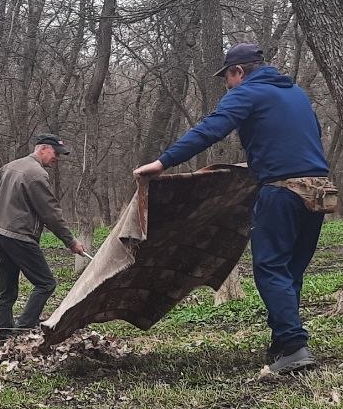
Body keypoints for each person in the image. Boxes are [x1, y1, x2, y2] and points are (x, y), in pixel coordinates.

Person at [133, 42, 329, 375]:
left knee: (270, 269)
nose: (227, 84)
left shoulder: (248, 93)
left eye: (227, 77)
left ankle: (294, 347)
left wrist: (162, 162)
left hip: (281, 192)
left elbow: (211, 129)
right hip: (320, 191)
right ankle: (284, 341)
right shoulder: (295, 93)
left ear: (238, 71)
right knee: (290, 271)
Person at [0, 134, 86, 343]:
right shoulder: (36, 174)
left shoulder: (13, 165)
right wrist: (71, 241)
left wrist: (10, 196)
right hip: (18, 233)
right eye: (56, 153)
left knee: (7, 286)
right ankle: (21, 331)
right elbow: (51, 214)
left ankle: (4, 335)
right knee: (46, 283)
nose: (57, 158)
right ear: (43, 149)